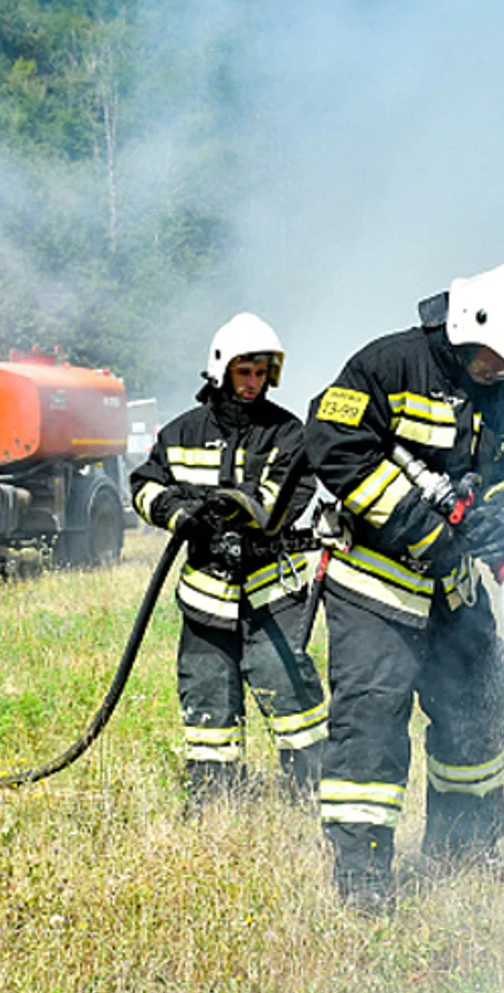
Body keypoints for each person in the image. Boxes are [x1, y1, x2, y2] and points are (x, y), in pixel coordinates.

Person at [303, 262, 504, 913]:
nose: (500, 373)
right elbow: (331, 443)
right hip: (374, 586)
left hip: (453, 591)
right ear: (471, 326)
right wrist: (420, 527)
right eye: (495, 360)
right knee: (371, 723)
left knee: (479, 704)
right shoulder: (388, 366)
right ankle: (364, 873)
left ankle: (464, 848)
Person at [130, 313, 328, 805]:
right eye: (245, 372)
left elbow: (288, 494)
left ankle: (311, 795)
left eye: (262, 374)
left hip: (270, 591)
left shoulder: (287, 433)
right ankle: (214, 802)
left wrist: (233, 521)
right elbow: (144, 486)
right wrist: (184, 518)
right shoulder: (181, 432)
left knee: (290, 691)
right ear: (222, 371)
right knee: (207, 694)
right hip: (206, 596)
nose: (253, 384)